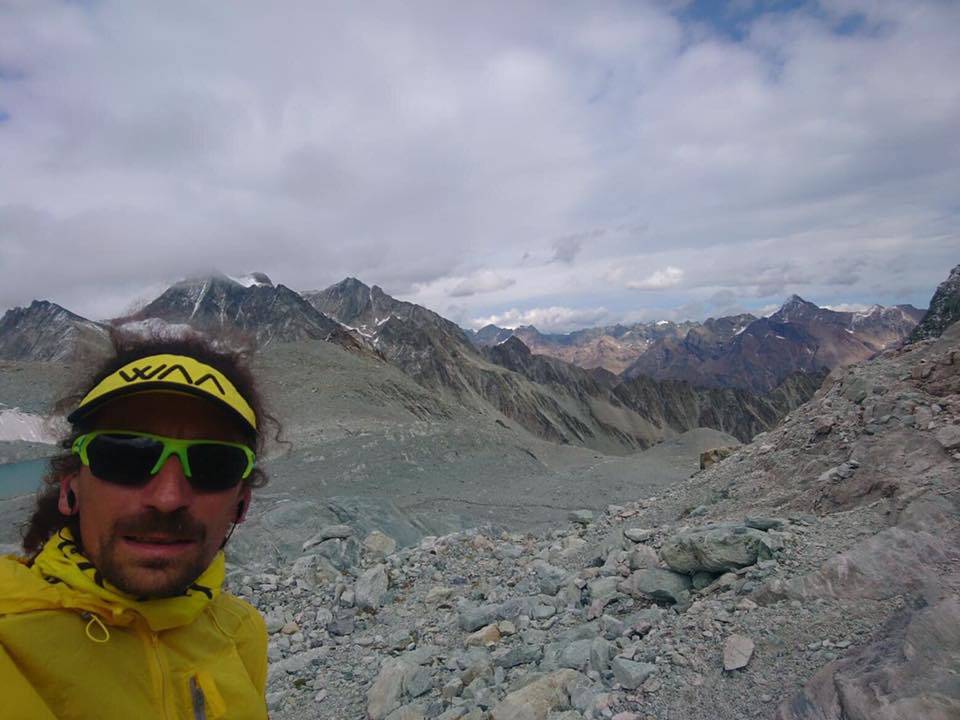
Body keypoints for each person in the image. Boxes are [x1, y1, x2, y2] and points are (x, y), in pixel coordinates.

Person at [0, 333, 272, 719]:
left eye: (214, 464)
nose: (168, 498)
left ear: (240, 504)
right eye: (123, 456)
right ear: (70, 488)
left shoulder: (243, 632)